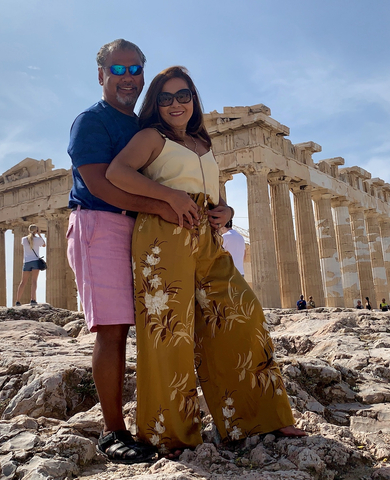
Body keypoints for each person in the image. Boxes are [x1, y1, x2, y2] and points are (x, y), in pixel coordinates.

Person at [106, 66, 305, 455]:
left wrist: (225, 212)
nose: (175, 104)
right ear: (156, 105)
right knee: (170, 332)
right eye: (165, 98)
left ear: (193, 99)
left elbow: (211, 192)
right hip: (164, 235)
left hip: (206, 237)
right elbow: (117, 173)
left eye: (183, 96)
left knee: (242, 313)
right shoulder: (151, 137)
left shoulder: (202, 141)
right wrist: (165, 199)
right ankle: (171, 435)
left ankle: (256, 417)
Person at [66, 39, 197, 464]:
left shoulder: (146, 124)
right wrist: (164, 204)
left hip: (141, 229)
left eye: (135, 69)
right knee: (113, 326)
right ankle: (112, 431)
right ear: (101, 74)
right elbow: (101, 184)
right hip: (99, 224)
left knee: (154, 322)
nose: (128, 79)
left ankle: (157, 416)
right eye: (118, 70)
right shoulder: (90, 121)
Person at [15, 224, 46, 306]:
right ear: (36, 230)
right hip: (35, 261)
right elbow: (44, 244)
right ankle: (33, 299)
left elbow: (26, 243)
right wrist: (39, 234)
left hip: (26, 262)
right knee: (34, 281)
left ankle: (17, 301)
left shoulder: (24, 239)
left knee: (23, 282)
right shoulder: (38, 239)